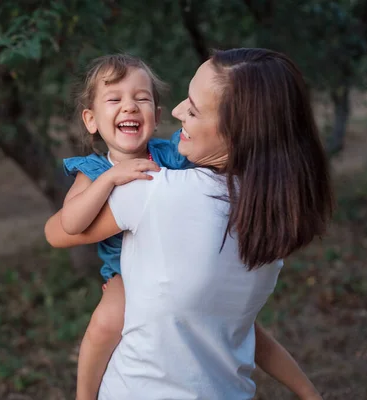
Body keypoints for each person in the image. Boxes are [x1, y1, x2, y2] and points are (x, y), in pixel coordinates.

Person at [51, 52, 327, 399]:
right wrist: (108, 180)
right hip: (226, 387)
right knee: (105, 324)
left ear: (236, 129)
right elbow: (65, 226)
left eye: (193, 109)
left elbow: (58, 232)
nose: (178, 111)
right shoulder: (275, 211)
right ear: (90, 119)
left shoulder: (157, 180)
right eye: (115, 99)